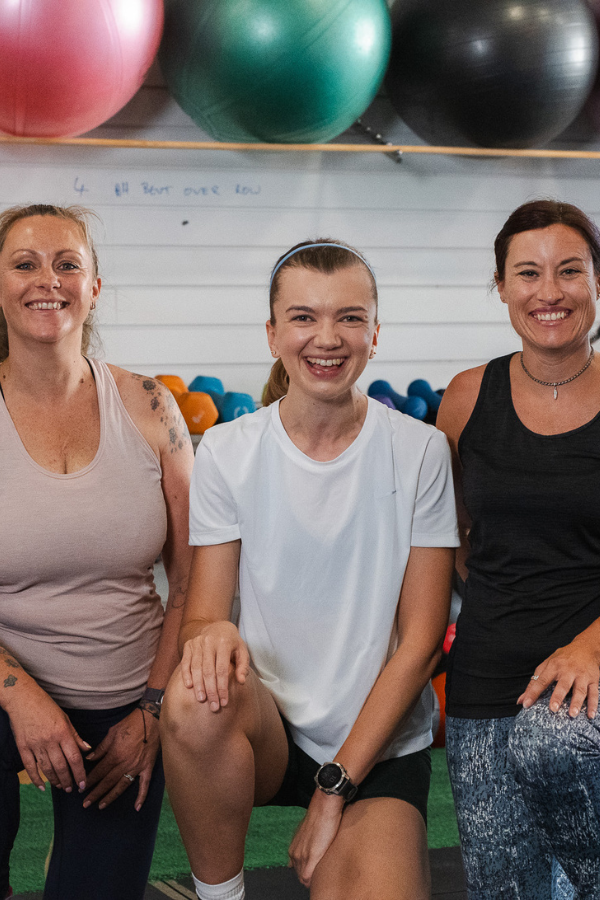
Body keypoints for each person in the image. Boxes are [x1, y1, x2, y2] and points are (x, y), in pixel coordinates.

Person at [161, 239, 459, 900]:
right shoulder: (228, 452)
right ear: (272, 333)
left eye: (349, 317)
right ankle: (222, 895)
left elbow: (418, 645)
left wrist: (337, 787)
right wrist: (210, 634)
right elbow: (205, 614)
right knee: (193, 693)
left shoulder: (421, 452)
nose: (326, 337)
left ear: (375, 334)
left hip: (373, 744)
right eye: (303, 317)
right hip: (264, 728)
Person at [0, 204, 194, 900]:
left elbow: (197, 579)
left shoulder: (150, 406)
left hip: (124, 706)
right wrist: (20, 699)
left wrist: (152, 711)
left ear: (94, 287)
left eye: (67, 264)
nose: (46, 280)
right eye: (24, 263)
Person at [436, 199, 600, 900]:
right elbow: (456, 537)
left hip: (593, 680)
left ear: (597, 280)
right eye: (527, 273)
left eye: (569, 271)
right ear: (501, 286)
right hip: (487, 678)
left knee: (553, 741)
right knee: (508, 892)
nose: (550, 292)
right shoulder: (469, 396)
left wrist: (592, 644)